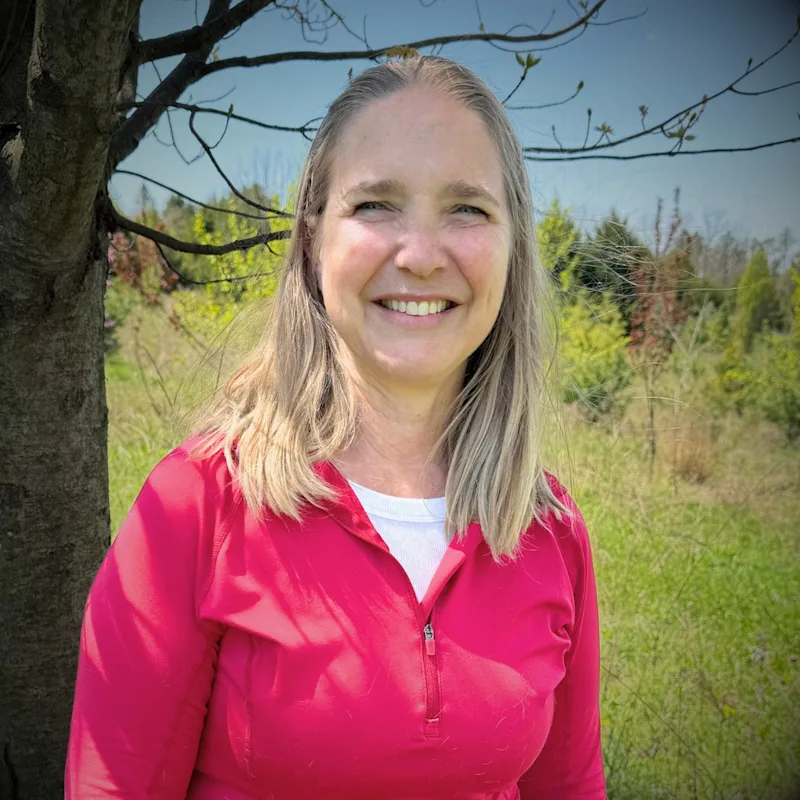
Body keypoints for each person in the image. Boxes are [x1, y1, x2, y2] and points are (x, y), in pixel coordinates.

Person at [66, 55, 606, 799]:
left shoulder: (548, 529)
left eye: (468, 209)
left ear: (513, 247)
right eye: (376, 204)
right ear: (314, 239)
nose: (419, 256)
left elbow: (571, 787)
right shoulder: (197, 507)